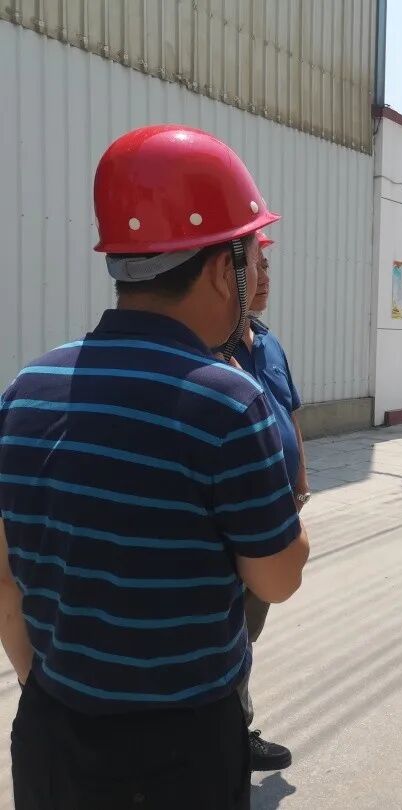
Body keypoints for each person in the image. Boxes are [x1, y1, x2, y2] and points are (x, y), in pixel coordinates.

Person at [0, 125, 310, 809]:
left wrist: (44, 688)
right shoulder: (230, 402)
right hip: (182, 748)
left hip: (51, 733)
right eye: (250, 256)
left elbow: (4, 580)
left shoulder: (25, 389)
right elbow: (278, 579)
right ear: (220, 270)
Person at [231, 230, 311, 772]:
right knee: (224, 628)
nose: (265, 279)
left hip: (278, 509)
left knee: (247, 627)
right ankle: (230, 735)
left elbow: (290, 414)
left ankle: (233, 726)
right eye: (256, 266)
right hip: (234, 516)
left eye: (268, 267)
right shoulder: (209, 350)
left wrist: (300, 481)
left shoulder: (269, 342)